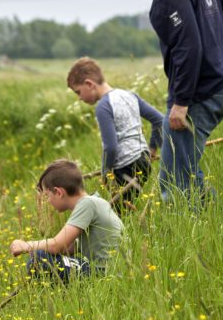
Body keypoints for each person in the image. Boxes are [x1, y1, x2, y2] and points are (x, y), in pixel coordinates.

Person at [114, 0, 223, 203]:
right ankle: (213, 219)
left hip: (200, 91)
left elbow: (187, 46)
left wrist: (181, 102)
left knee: (173, 185)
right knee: (183, 173)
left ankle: (201, 234)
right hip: (222, 82)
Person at [67, 57, 163, 209]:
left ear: (89, 84)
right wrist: (151, 149)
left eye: (78, 92)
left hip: (125, 166)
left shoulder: (103, 106)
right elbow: (159, 120)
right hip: (144, 162)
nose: (79, 98)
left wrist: (106, 173)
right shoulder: (129, 95)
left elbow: (110, 146)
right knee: (125, 209)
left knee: (117, 214)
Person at [9, 160, 123, 281]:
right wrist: (36, 248)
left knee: (40, 258)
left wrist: (26, 245)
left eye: (47, 196)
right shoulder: (96, 201)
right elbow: (68, 248)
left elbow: (57, 245)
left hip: (105, 274)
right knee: (41, 255)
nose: (48, 201)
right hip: (109, 271)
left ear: (59, 192)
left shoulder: (87, 204)